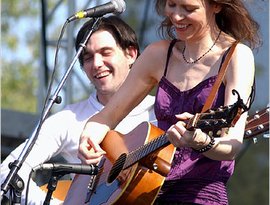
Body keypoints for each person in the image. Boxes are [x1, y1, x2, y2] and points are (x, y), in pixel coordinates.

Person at [77, 0, 260, 204]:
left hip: (201, 196)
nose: (176, 16)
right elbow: (106, 117)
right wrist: (88, 136)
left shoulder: (237, 57)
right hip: (146, 191)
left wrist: (200, 141)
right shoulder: (157, 54)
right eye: (171, 4)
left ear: (216, 6)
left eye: (188, 9)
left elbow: (232, 146)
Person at [0, 15, 156, 205]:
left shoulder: (158, 111)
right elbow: (7, 171)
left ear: (131, 54)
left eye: (105, 52)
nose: (96, 63)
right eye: (87, 57)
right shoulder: (69, 119)